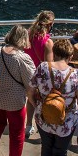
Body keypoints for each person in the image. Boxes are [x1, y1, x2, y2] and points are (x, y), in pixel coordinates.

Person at [0, 24, 35, 156]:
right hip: (14, 102)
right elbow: (31, 82)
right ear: (24, 39)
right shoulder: (23, 59)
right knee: (17, 130)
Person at [24, 10, 56, 139]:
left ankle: (28, 126)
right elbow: (48, 64)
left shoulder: (28, 34)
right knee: (42, 101)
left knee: (30, 99)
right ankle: (42, 126)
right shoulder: (47, 42)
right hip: (40, 75)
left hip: (27, 71)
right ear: (50, 24)